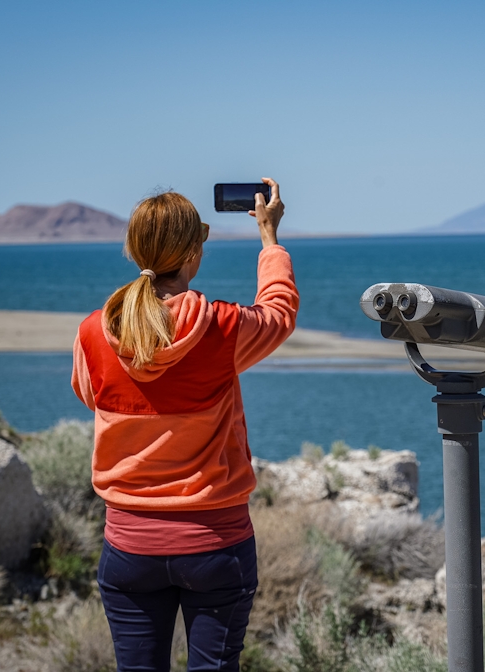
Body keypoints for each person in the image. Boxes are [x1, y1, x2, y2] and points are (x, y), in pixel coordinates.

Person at [70, 178, 298, 671]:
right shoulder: (222, 327)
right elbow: (279, 314)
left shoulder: (93, 332)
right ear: (194, 255)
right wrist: (269, 239)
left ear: (133, 252)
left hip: (129, 546)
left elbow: (90, 395)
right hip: (216, 546)